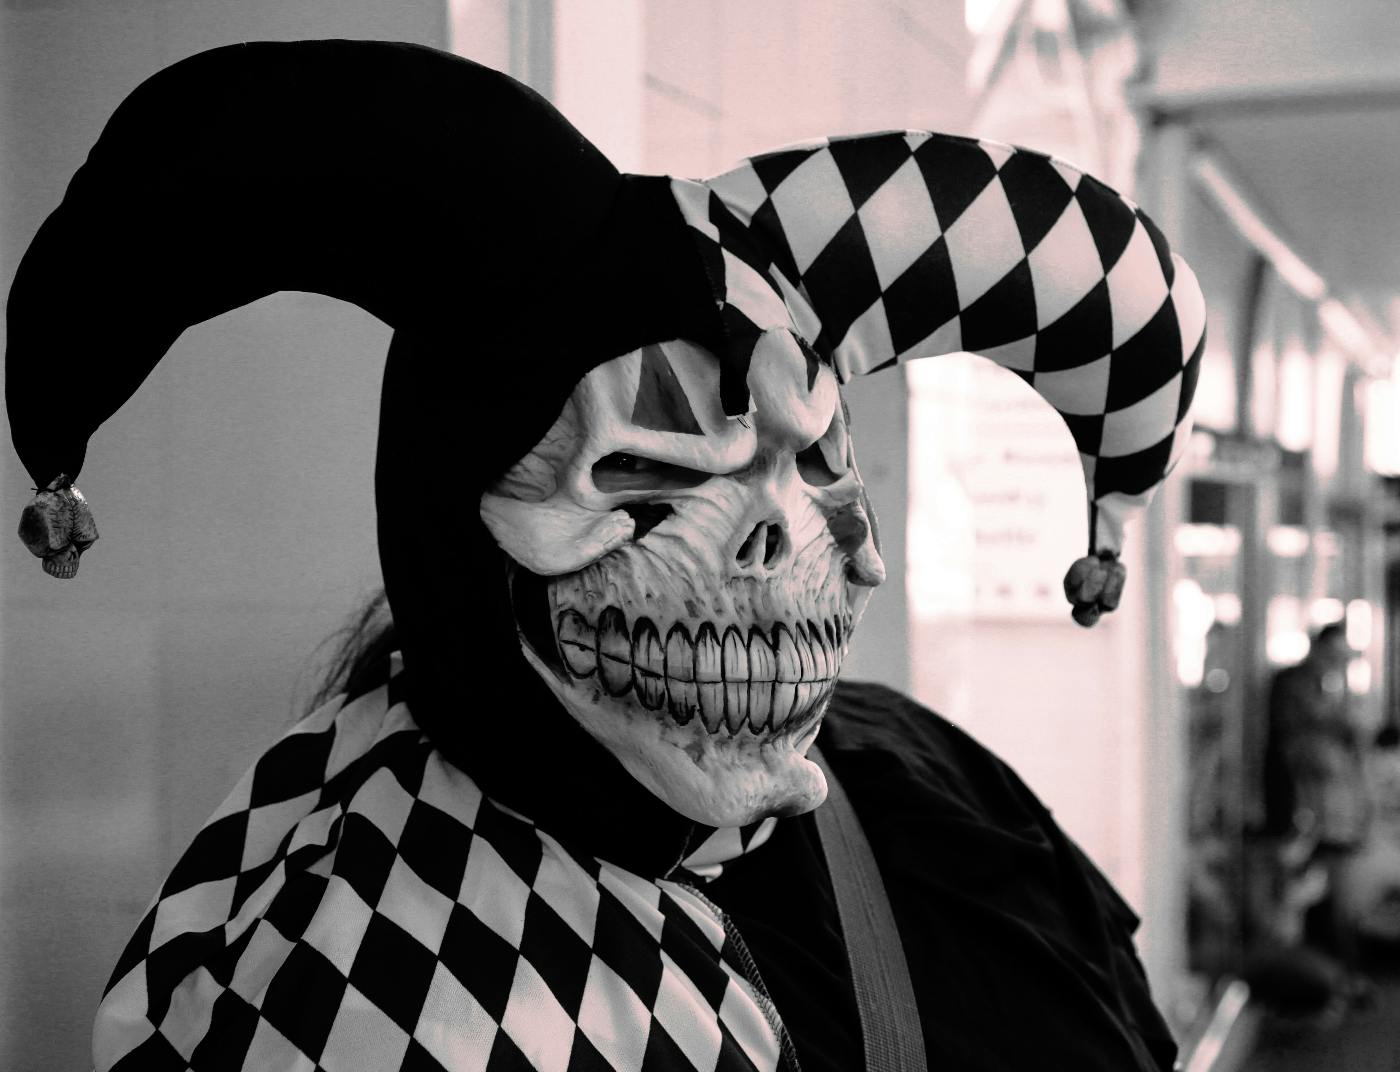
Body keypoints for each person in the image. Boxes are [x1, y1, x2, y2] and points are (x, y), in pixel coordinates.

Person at [7, 41, 1204, 1072]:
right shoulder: (368, 974)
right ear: (449, 519)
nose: (776, 533)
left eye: (812, 460)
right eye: (645, 468)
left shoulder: (941, 788)